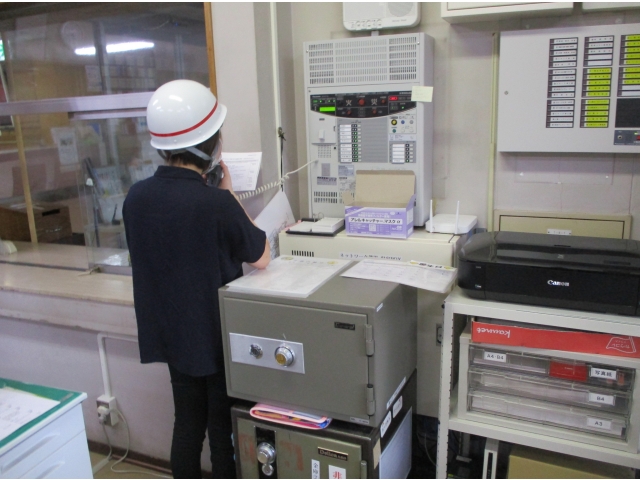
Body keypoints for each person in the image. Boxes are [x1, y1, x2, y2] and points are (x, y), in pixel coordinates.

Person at [123, 79, 270, 478]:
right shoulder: (216, 203)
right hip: (214, 336)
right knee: (222, 429)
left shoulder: (136, 197)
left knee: (187, 425)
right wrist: (229, 193)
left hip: (173, 334)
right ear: (211, 145)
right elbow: (260, 255)